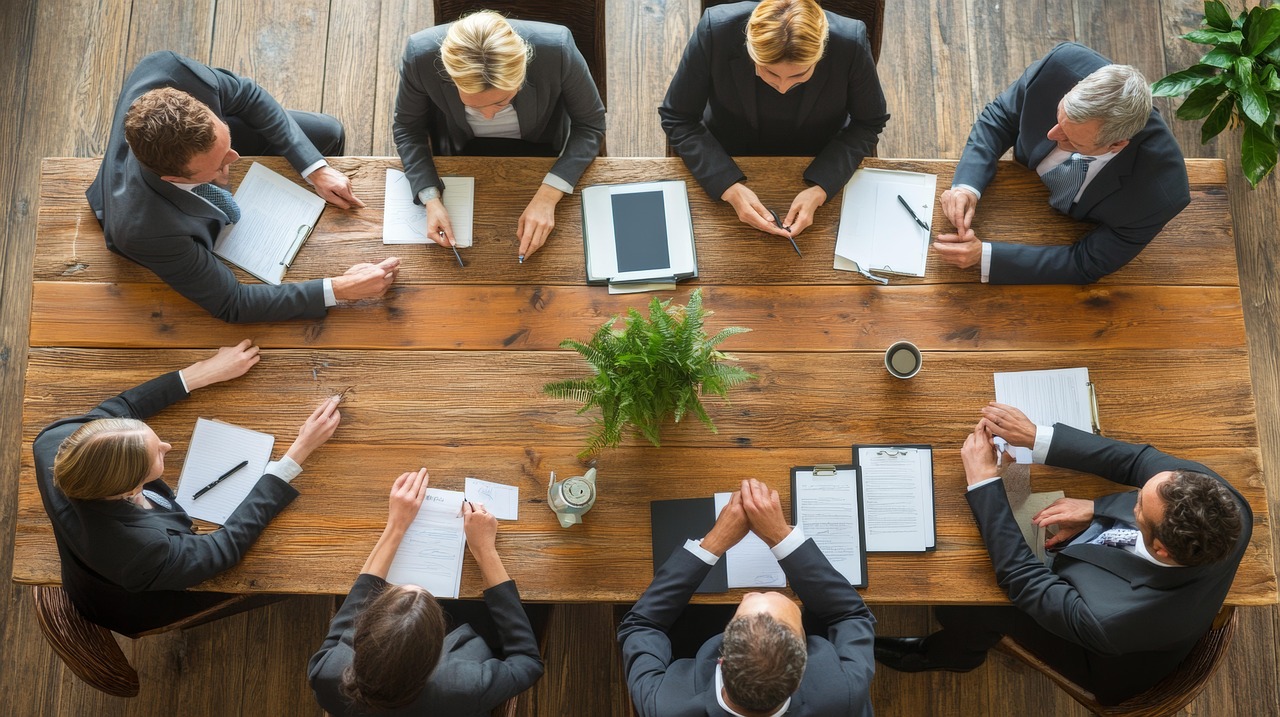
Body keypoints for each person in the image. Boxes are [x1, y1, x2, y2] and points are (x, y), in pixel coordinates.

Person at [874, 403, 1251, 705]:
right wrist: (1038, 439)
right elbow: (1136, 462)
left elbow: (1022, 579)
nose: (1132, 496)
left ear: (1160, 547)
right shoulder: (1227, 503)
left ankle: (952, 656)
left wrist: (983, 482)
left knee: (966, 605)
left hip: (1099, 656)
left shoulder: (1108, 619)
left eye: (1135, 504)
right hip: (1140, 594)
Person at [32, 340, 343, 634]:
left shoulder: (57, 441)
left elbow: (124, 405)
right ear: (129, 490)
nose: (167, 446)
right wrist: (296, 454)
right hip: (134, 603)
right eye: (156, 455)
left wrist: (203, 372)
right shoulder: (142, 551)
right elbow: (224, 549)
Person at [88, 51, 400, 323]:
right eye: (221, 163)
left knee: (328, 132)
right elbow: (232, 303)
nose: (236, 158)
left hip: (193, 150)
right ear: (177, 179)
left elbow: (248, 96)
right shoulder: (144, 231)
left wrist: (315, 170)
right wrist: (340, 289)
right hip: (159, 219)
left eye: (226, 141)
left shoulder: (171, 71)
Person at [934, 43, 1190, 284]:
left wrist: (985, 256)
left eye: (1071, 140)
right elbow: (1001, 117)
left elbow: (1086, 262)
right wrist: (967, 186)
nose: (1052, 135)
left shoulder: (1161, 196)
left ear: (1116, 145)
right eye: (1060, 116)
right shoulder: (1061, 65)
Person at [618, 479, 876, 717]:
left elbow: (641, 625)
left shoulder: (663, 703)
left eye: (746, 606)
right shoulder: (844, 691)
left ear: (721, 658)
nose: (754, 593)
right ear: (802, 675)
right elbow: (850, 614)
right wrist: (780, 537)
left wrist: (714, 542)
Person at [309, 469, 543, 715]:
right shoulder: (464, 686)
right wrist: (485, 550)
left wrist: (396, 526)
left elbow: (353, 605)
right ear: (437, 652)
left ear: (359, 634)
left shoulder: (327, 675)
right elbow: (528, 663)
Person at [660, 0, 887, 241]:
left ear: (822, 53)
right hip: (725, 151)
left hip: (821, 154)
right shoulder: (714, 30)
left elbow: (868, 122)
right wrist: (727, 186)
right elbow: (678, 116)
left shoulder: (850, 42)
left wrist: (821, 188)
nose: (783, 87)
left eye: (800, 75)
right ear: (749, 48)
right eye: (769, 71)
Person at [394, 10, 606, 261]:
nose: (488, 117)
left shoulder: (557, 49)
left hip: (545, 148)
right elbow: (408, 128)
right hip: (460, 148)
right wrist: (429, 197)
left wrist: (548, 196)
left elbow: (591, 124)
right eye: (473, 106)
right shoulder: (419, 55)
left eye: (501, 102)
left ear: (521, 75)